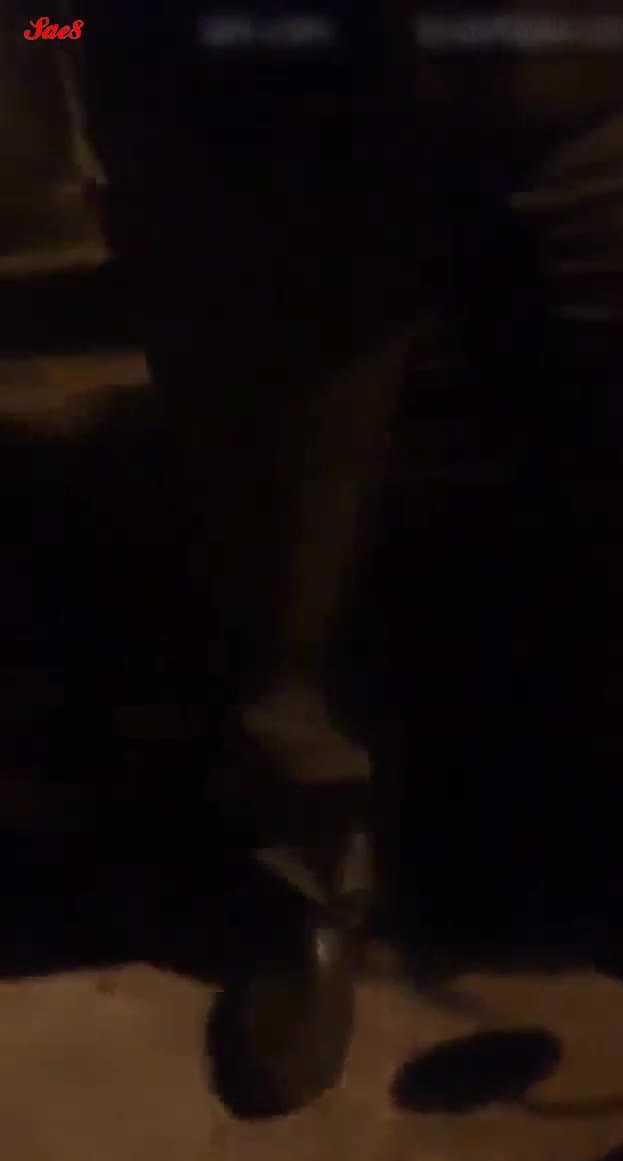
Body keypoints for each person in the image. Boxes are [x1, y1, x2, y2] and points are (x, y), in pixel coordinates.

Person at [67, 0, 425, 900]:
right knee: (278, 551)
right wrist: (69, 70)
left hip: (451, 112)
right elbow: (44, 26)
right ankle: (307, 866)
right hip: (229, 154)